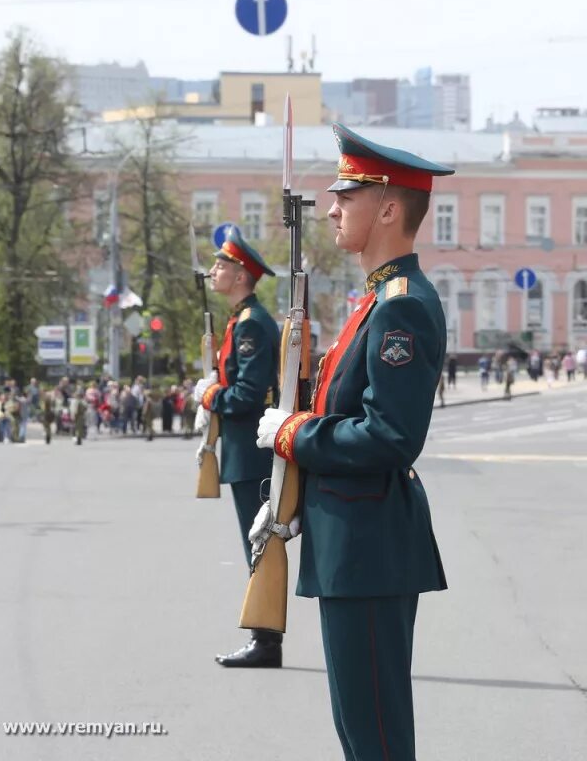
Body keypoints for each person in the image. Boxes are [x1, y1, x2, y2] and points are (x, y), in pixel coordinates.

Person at [256, 123, 451, 761]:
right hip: (351, 542)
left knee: (376, 737)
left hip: (369, 547)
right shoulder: (375, 301)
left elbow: (390, 438)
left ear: (389, 208)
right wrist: (288, 492)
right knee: (360, 729)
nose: (332, 208)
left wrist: (293, 434)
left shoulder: (401, 306)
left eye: (348, 195)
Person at [193, 227, 283, 668]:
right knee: (257, 543)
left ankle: (266, 642)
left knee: (260, 544)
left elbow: (247, 393)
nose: (213, 271)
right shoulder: (241, 321)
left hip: (252, 453)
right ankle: (263, 638)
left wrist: (210, 396)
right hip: (246, 452)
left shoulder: (251, 325)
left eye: (221, 265)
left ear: (242, 274)